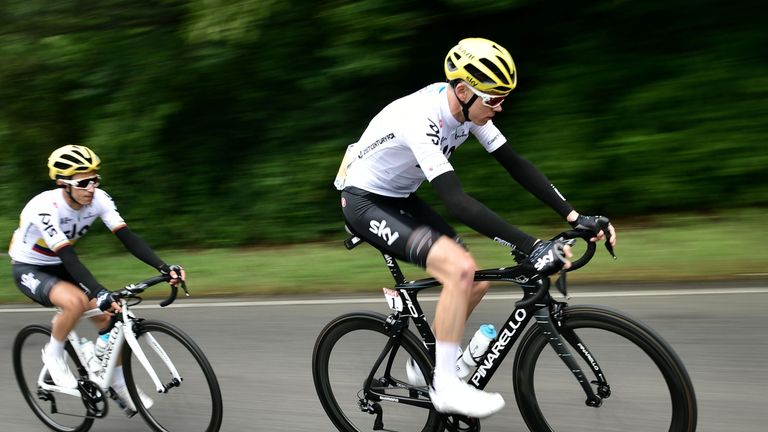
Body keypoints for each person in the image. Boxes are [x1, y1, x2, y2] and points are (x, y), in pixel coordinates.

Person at [334, 37, 617, 418]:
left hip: (400, 197)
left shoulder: (468, 112)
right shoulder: (421, 118)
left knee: (477, 279)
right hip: (365, 201)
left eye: (503, 99)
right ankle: (447, 387)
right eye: (494, 99)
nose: (500, 107)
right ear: (463, 91)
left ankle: (425, 368)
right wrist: (531, 245)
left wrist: (573, 216)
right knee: (460, 269)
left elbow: (516, 164)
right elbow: (457, 201)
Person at [9, 144, 186, 415]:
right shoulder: (45, 207)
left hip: (61, 264)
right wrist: (99, 291)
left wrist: (164, 267)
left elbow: (127, 237)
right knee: (76, 302)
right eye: (83, 182)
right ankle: (54, 357)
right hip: (29, 267)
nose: (91, 187)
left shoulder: (99, 199)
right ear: (63, 183)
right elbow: (69, 257)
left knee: (110, 318)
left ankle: (115, 383)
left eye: (95, 179)